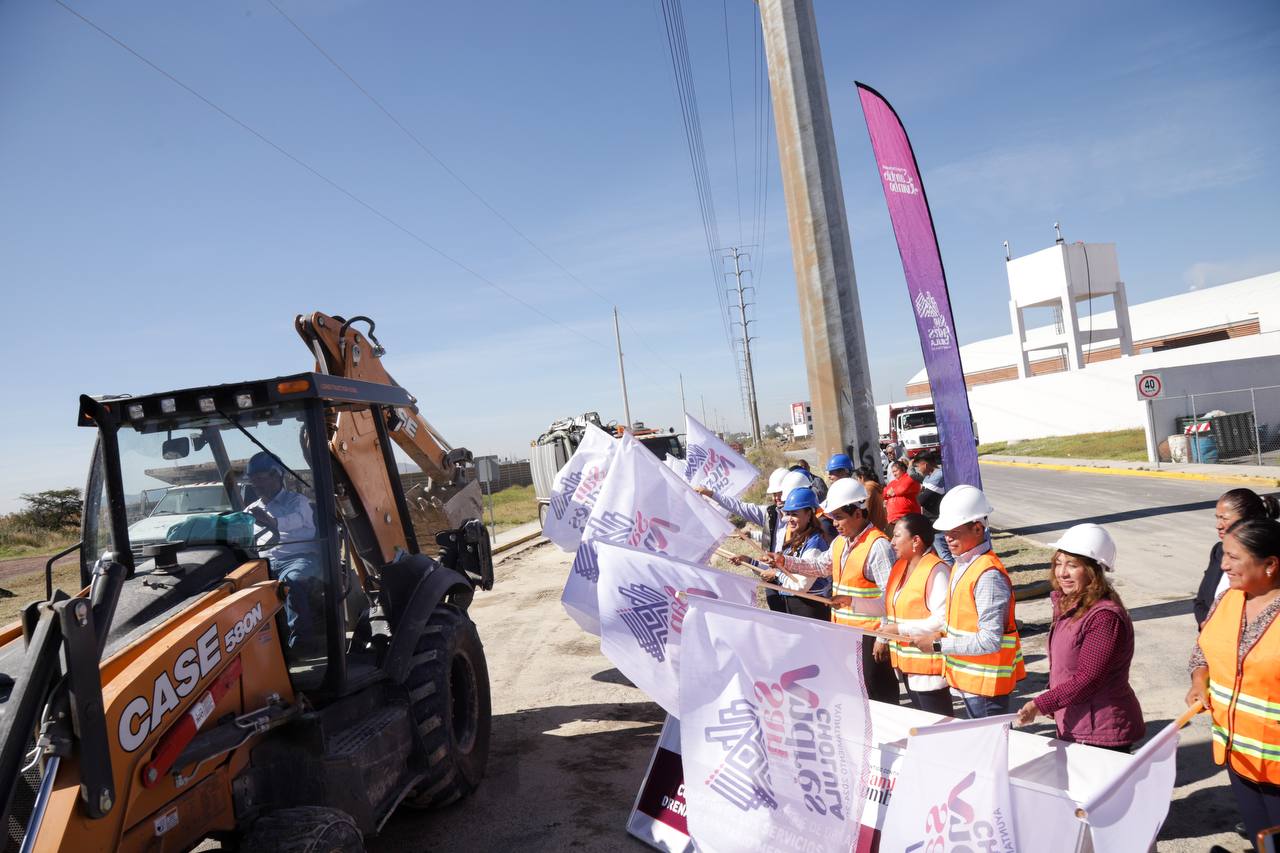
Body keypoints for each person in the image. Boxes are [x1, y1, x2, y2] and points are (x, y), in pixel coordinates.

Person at [1187, 518, 1280, 849]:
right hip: (1238, 756)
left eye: (1234, 557)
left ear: (1270, 564)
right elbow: (1204, 649)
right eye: (1223, 554)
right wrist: (1200, 679)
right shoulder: (1228, 600)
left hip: (1277, 769)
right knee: (1262, 843)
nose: (1223, 565)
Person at [767, 478, 900, 703]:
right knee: (857, 695)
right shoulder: (840, 542)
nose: (835, 523)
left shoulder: (878, 546)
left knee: (879, 696)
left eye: (839, 517)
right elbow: (820, 566)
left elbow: (891, 596)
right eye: (832, 518)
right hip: (845, 634)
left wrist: (883, 638)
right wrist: (784, 561)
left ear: (858, 514)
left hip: (870, 635)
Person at [1015, 524, 1144, 751]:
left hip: (1100, 730)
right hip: (1076, 721)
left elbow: (1088, 678)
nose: (1062, 573)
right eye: (1058, 563)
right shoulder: (1069, 605)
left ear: (1093, 571)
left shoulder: (1104, 617)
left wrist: (1040, 705)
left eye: (1072, 565)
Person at [909, 485, 1025, 718]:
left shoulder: (987, 575)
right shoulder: (963, 564)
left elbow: (990, 640)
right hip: (972, 683)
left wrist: (938, 645)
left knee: (989, 752)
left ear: (978, 528)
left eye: (955, 531)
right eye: (946, 531)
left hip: (985, 688)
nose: (948, 537)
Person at [244, 451, 323, 653]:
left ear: (276, 475)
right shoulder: (252, 509)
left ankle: (302, 643)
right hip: (265, 562)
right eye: (253, 481)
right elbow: (241, 533)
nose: (257, 485)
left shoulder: (297, 502)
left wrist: (273, 522)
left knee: (291, 583)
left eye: (261, 479)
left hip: (300, 559)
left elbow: (297, 520)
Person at [876, 514, 952, 715]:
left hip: (928, 670)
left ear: (916, 541)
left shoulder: (937, 570)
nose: (892, 541)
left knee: (939, 729)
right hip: (908, 665)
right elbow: (891, 606)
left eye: (897, 536)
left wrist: (899, 629)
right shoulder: (901, 566)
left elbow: (941, 620)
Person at [698, 467, 790, 611]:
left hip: (794, 583)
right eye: (774, 493)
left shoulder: (806, 520)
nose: (776, 498)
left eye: (780, 493)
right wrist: (711, 494)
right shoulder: (770, 513)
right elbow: (740, 507)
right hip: (773, 580)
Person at [1194, 489, 1280, 628]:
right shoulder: (1218, 551)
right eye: (1217, 517)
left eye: (1225, 518)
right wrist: (1207, 624)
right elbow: (1201, 601)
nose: (1218, 525)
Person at [760, 487, 831, 620]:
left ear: (809, 514)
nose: (789, 519)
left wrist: (777, 574)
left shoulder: (814, 543)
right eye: (788, 514)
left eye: (795, 514)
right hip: (796, 607)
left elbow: (801, 585)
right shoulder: (797, 538)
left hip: (811, 609)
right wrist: (749, 561)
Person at [883, 461, 921, 525]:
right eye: (893, 472)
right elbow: (884, 493)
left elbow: (902, 488)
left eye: (896, 471)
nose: (894, 474)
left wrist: (893, 492)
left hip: (908, 517)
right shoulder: (892, 482)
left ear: (903, 469)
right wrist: (890, 493)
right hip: (894, 519)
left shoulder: (910, 478)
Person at [853, 466, 888, 533]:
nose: (857, 481)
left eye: (857, 478)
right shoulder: (874, 486)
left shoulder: (867, 488)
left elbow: (865, 510)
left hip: (874, 528)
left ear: (862, 477)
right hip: (881, 525)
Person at [913, 452, 946, 521]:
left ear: (925, 465)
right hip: (928, 517)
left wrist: (919, 494)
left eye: (918, 466)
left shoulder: (938, 476)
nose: (918, 469)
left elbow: (920, 500)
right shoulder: (927, 476)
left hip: (937, 518)